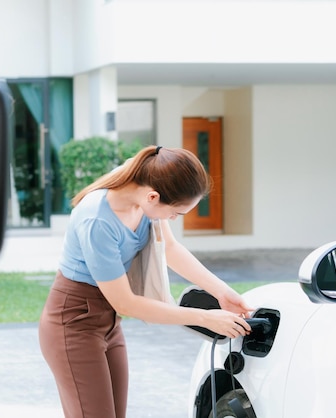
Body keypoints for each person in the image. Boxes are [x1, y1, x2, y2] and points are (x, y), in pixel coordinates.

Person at [38, 145, 252, 418]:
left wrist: (223, 292)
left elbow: (170, 249)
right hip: (73, 323)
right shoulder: (97, 220)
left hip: (107, 321)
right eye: (176, 213)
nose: (173, 219)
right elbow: (126, 303)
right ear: (153, 197)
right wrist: (206, 318)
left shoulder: (143, 196)